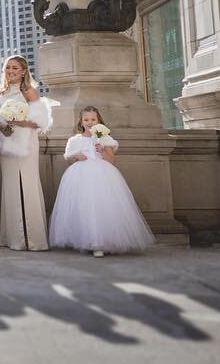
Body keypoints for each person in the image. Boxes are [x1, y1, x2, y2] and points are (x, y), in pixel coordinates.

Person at [49, 107, 155, 256]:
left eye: (93, 119)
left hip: (103, 175)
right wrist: (76, 156)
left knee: (101, 206)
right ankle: (87, 240)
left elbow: (111, 160)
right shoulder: (75, 140)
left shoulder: (105, 138)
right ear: (81, 121)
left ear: (98, 121)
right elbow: (69, 158)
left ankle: (101, 242)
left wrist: (102, 149)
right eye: (86, 119)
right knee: (84, 207)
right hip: (80, 177)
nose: (90, 122)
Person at [0, 54, 51, 251]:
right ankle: (14, 238)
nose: (11, 71)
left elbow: (41, 122)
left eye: (15, 68)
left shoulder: (30, 92)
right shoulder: (0, 93)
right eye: (8, 68)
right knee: (10, 187)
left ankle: (33, 238)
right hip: (7, 143)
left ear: (24, 71)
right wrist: (2, 127)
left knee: (27, 185)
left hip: (26, 143)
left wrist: (18, 121)